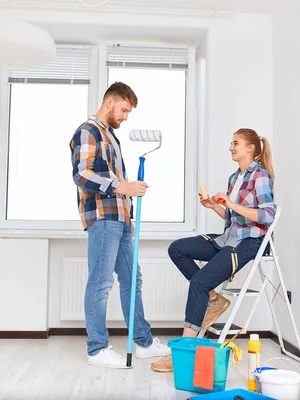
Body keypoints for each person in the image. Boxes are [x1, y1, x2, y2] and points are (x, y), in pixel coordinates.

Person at [150, 128, 276, 373]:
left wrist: (230, 203)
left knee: (198, 282)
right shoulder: (234, 178)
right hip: (229, 238)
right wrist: (214, 207)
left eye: (235, 143)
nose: (231, 147)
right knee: (178, 249)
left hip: (250, 242)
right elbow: (233, 219)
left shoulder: (260, 175)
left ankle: (183, 354)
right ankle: (214, 300)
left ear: (250, 148)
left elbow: (267, 215)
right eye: (231, 143)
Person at [70, 82, 170, 369]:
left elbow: (117, 184)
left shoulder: (111, 137)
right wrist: (121, 185)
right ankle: (97, 349)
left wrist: (129, 217)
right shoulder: (88, 131)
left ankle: (143, 342)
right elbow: (81, 174)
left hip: (120, 219)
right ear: (110, 102)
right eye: (124, 109)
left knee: (132, 280)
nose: (126, 116)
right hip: (102, 219)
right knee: (101, 283)